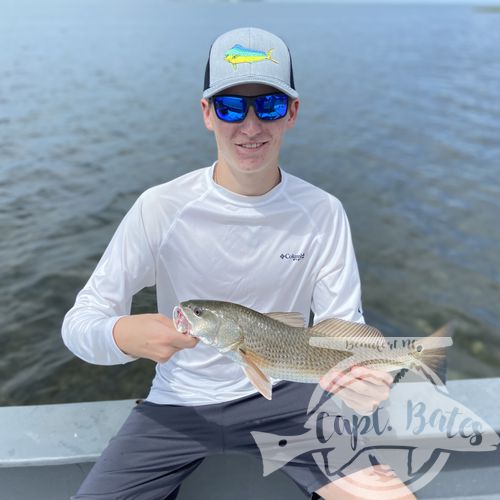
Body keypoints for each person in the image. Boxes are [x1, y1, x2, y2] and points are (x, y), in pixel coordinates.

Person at [62, 27, 415, 500]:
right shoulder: (160, 207)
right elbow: (79, 322)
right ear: (207, 114)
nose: (250, 127)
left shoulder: (323, 212)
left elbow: (341, 328)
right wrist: (122, 337)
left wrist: (360, 383)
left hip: (292, 395)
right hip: (178, 402)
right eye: (231, 107)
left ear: (291, 113)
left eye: (267, 106)